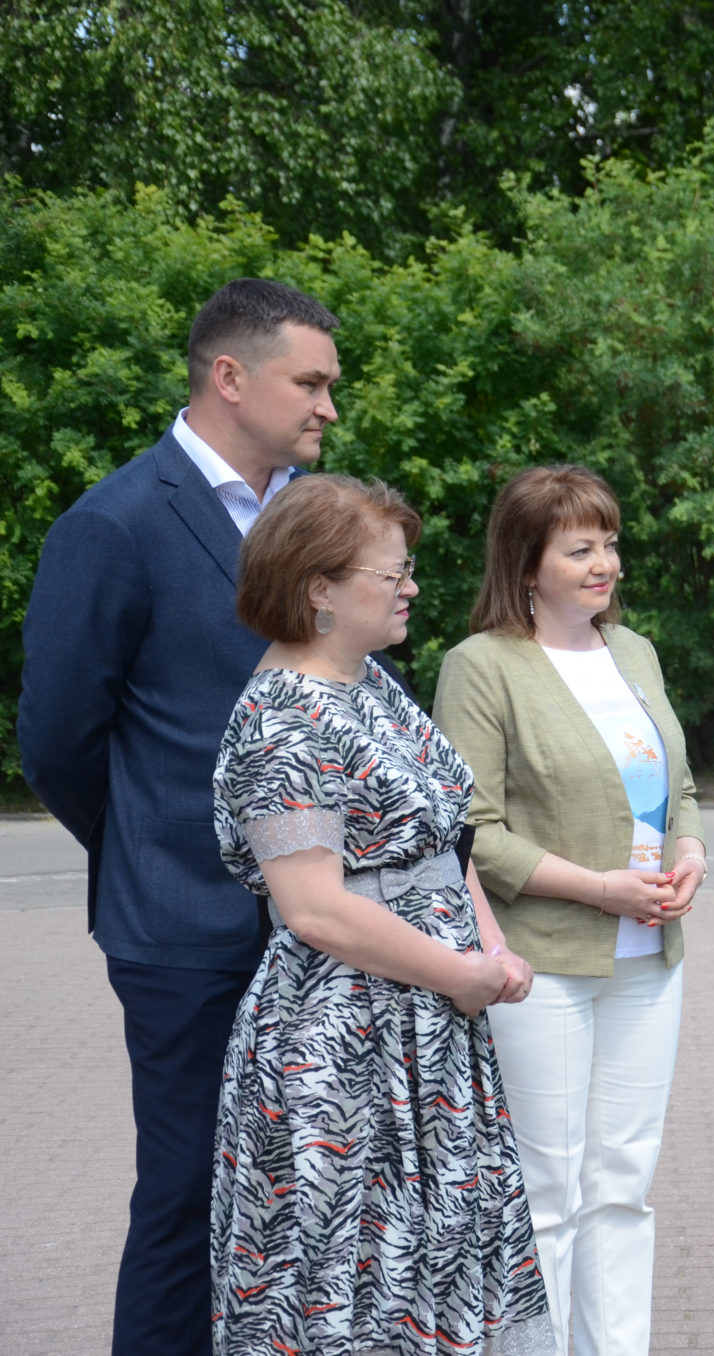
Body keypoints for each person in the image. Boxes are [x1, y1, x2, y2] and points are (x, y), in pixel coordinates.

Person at [16, 278, 340, 1356]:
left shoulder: (313, 515)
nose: (328, 407)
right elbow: (59, 737)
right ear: (229, 376)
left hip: (324, 927)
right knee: (190, 1194)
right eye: (311, 381)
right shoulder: (112, 523)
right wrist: (151, 851)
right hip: (186, 934)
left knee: (303, 1201)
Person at [210, 473, 551, 1354]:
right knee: (343, 1294)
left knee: (434, 1282)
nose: (409, 587)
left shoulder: (373, 685)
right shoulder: (279, 719)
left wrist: (489, 941)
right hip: (346, 1047)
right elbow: (316, 909)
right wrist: (465, 972)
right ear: (319, 588)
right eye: (389, 573)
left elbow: (446, 837)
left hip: (430, 1029)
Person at [434, 465, 708, 1356]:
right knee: (547, 1194)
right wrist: (600, 889)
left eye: (611, 543)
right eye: (580, 548)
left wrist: (691, 852)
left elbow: (684, 787)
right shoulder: (480, 667)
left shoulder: (635, 652)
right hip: (542, 966)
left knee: (623, 1187)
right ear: (526, 564)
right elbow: (472, 832)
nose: (606, 564)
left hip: (648, 960)